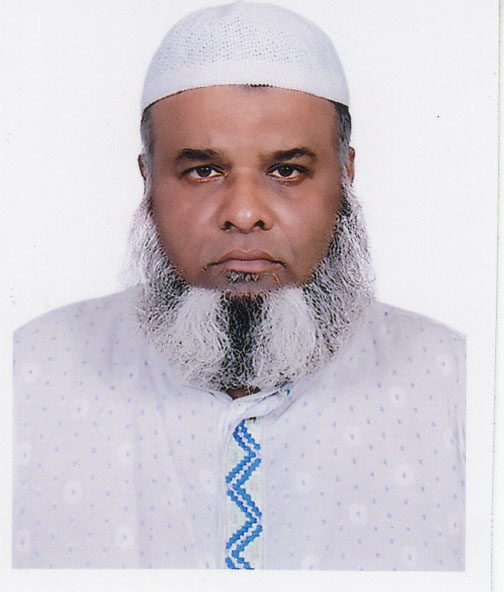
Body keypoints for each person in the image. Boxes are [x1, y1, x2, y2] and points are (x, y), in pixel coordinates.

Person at [13, 1, 465, 570]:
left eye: (287, 171)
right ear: (148, 180)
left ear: (346, 176)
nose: (244, 213)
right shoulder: (30, 373)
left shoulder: (455, 382)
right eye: (203, 170)